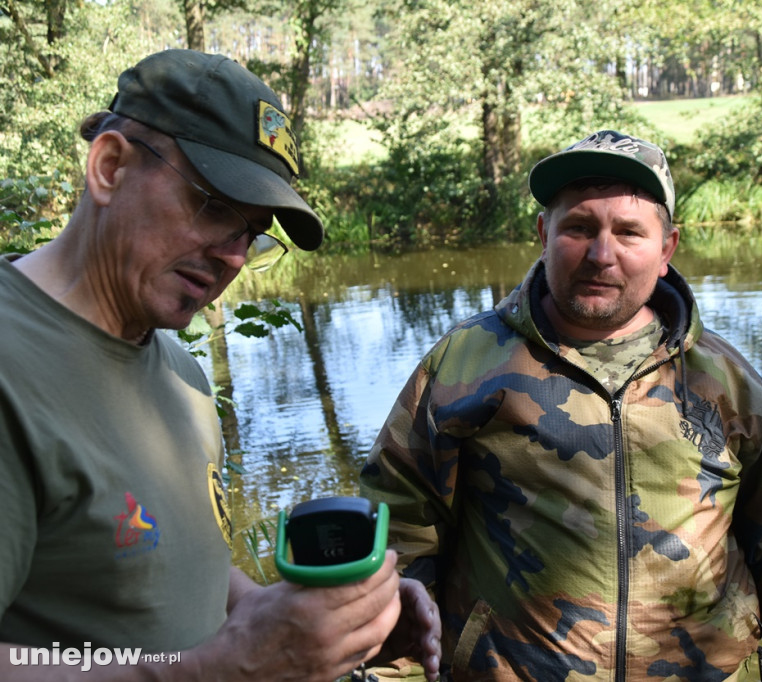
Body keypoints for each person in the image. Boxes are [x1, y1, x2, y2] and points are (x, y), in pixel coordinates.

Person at [0, 49, 440, 681]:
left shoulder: (181, 372)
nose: (234, 257)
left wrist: (308, 628)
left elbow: (173, 574)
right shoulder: (12, 370)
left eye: (252, 233)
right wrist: (216, 669)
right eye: (213, 205)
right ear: (109, 166)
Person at [359, 130, 762, 681]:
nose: (602, 255)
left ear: (666, 249)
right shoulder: (464, 365)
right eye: (579, 228)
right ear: (544, 234)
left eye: (629, 232)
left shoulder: (725, 380)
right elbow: (398, 534)